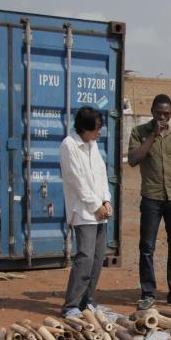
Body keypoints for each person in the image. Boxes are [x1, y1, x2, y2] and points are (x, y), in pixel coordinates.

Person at [128, 94, 171, 310]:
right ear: (152, 111)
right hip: (151, 198)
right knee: (147, 247)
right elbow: (134, 160)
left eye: (166, 113)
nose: (163, 117)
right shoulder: (139, 132)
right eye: (159, 113)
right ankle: (148, 293)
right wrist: (153, 136)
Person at [59, 106, 112, 318]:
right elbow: (77, 181)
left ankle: (88, 301)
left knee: (98, 258)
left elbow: (101, 174)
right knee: (85, 258)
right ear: (85, 128)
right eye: (97, 128)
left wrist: (106, 200)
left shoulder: (93, 145)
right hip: (84, 212)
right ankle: (71, 305)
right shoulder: (69, 146)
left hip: (100, 212)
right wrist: (94, 206)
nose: (100, 132)